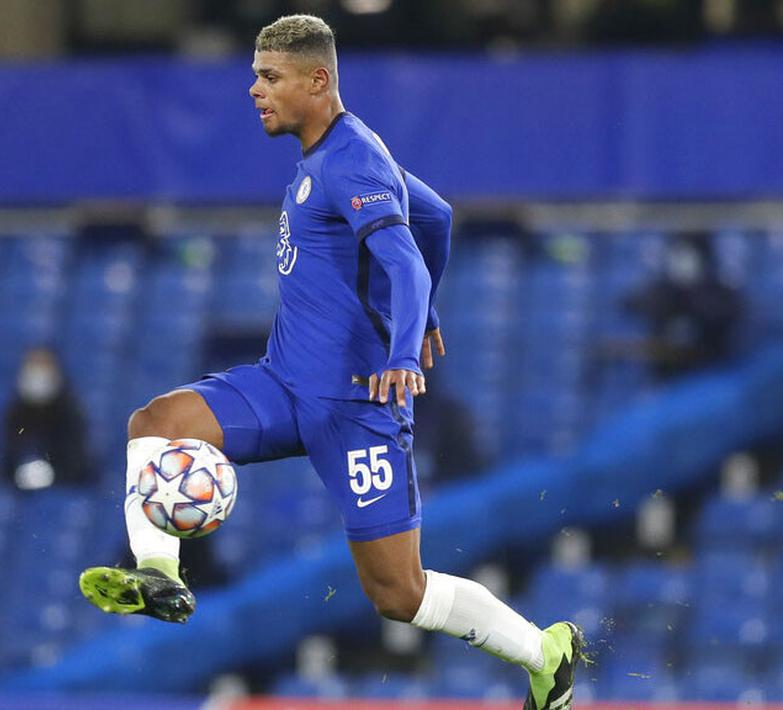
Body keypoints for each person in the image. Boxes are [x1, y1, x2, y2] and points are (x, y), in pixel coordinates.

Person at [78, 15, 583, 710]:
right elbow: (433, 214)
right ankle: (159, 573)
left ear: (317, 81)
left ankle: (543, 654)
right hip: (284, 383)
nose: (254, 90)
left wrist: (405, 346)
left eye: (269, 77)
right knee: (156, 421)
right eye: (255, 75)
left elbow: (403, 253)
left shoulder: (351, 160)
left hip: (356, 407)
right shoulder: (331, 155)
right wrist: (423, 309)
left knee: (396, 594)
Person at [624, 232, 743, 381]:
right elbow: (630, 305)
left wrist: (694, 300)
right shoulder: (660, 292)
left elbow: (731, 310)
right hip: (666, 379)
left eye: (690, 257)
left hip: (709, 376)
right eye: (678, 256)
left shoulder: (720, 294)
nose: (683, 264)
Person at [0, 347, 94, 491]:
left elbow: (78, 464)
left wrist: (52, 474)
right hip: (20, 492)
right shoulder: (15, 414)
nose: (37, 377)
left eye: (42, 370)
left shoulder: (70, 415)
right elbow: (6, 461)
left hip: (64, 488)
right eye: (33, 370)